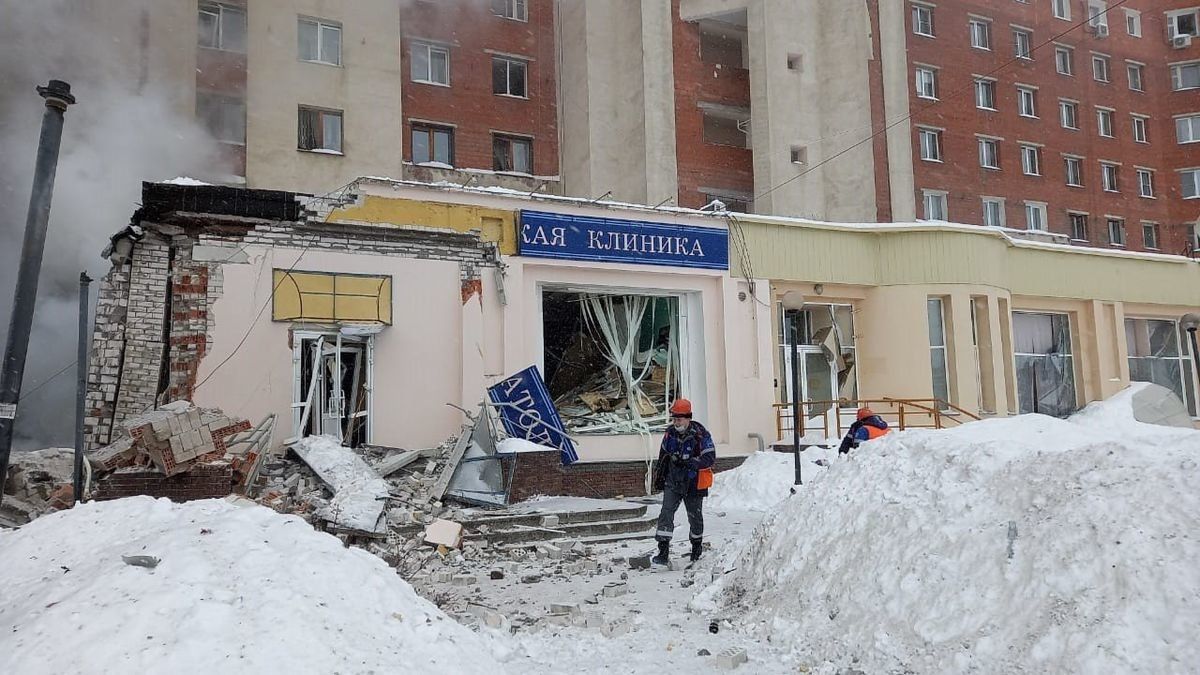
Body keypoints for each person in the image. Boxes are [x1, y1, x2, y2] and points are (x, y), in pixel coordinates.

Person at [651, 398, 716, 566]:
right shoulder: (670, 433)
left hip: (693, 482)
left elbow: (710, 458)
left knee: (694, 517)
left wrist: (691, 462)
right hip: (673, 481)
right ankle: (663, 551)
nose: (676, 422)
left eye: (679, 419)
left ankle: (696, 546)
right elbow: (663, 455)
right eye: (674, 419)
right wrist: (660, 475)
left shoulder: (701, 435)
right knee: (666, 513)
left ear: (688, 418)